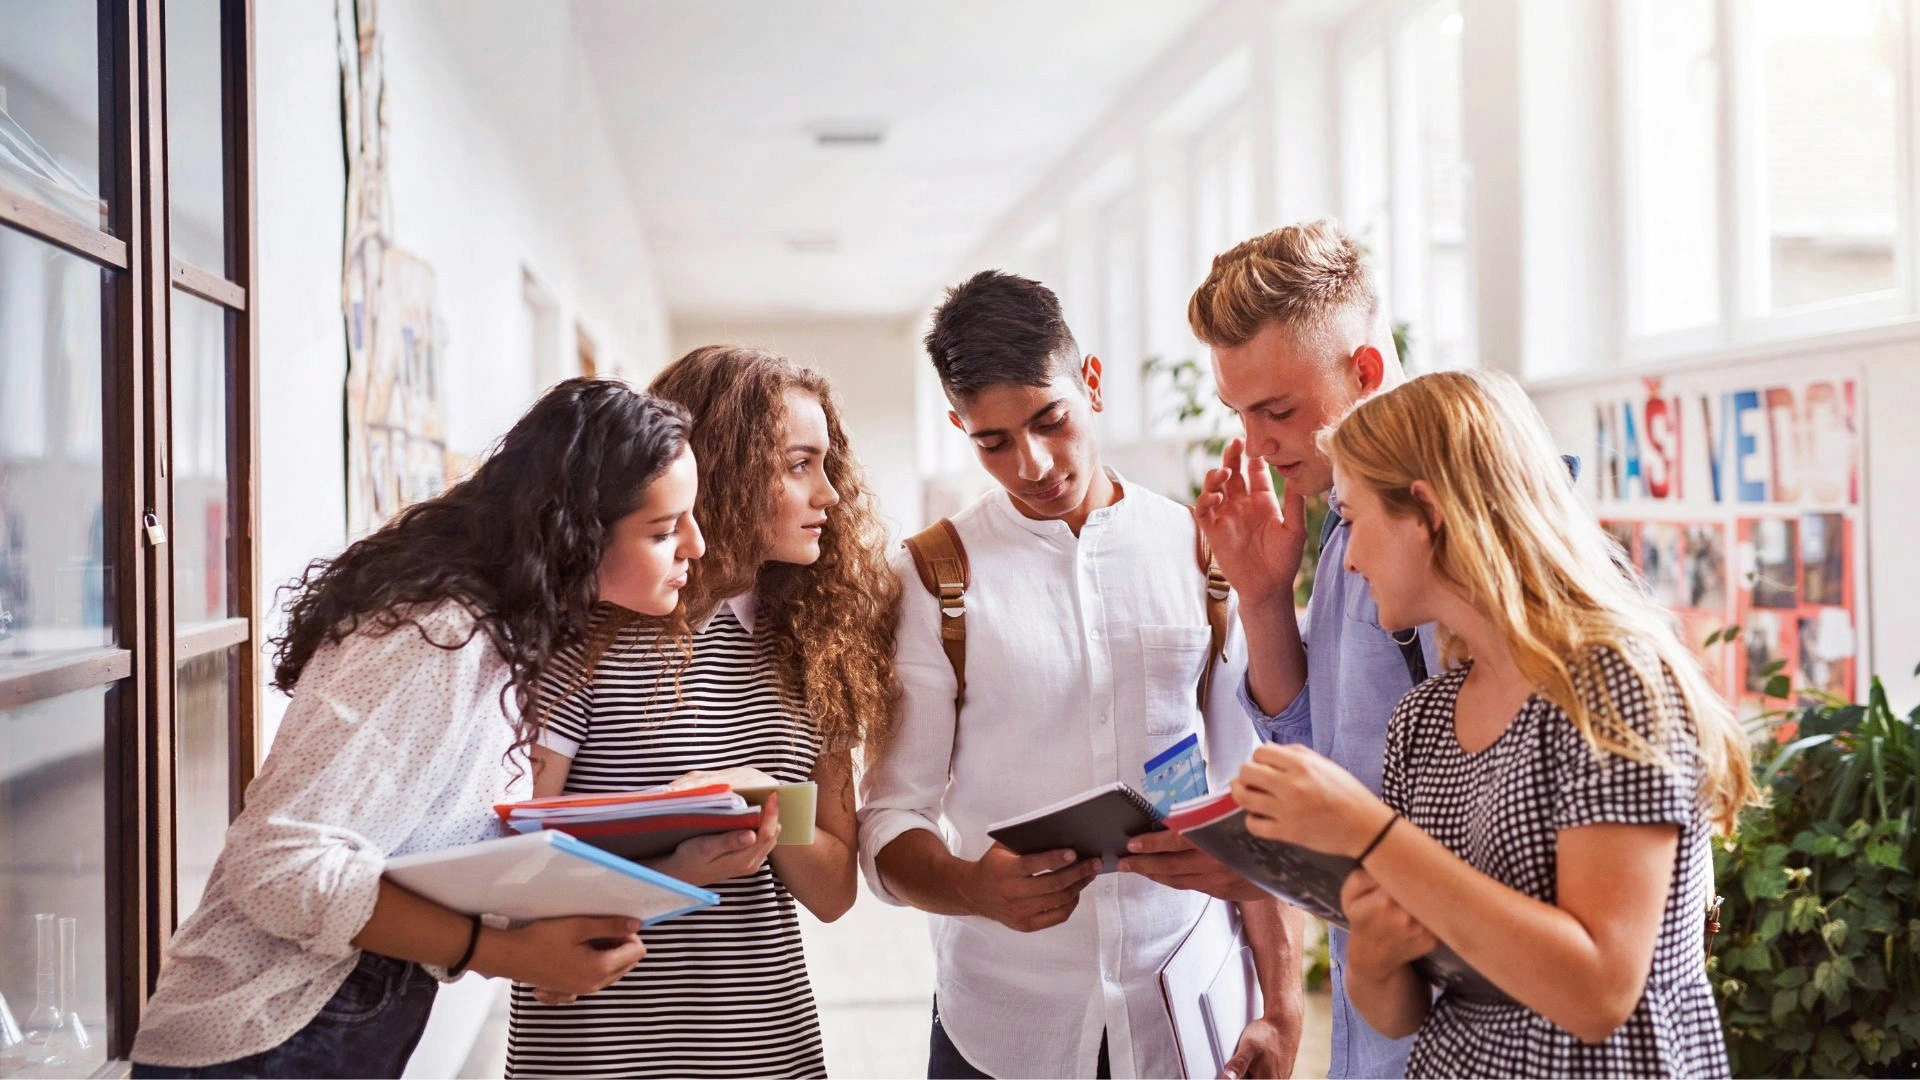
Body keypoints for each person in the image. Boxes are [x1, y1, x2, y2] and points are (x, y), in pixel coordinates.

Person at [131, 379, 701, 1078]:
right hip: (259, 1037)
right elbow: (277, 865)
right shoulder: (439, 633)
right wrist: (508, 954)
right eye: (665, 528)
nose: (693, 547)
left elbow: (425, 847)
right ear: (576, 532)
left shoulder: (504, 637)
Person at [1225, 369, 1756, 1077]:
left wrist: (1368, 834)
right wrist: (1379, 958)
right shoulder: (1425, 719)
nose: (1346, 556)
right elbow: (1403, 1009)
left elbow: (1600, 991)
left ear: (1427, 512)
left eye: (1351, 520)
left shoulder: (1611, 685)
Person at [859, 271, 1302, 1080]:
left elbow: (1250, 786)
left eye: (1049, 420)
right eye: (993, 441)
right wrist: (971, 888)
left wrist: (1280, 1002)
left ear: (1090, 383)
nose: (1030, 462)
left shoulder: (1200, 549)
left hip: (1186, 1010)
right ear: (962, 428)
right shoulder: (934, 577)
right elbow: (890, 820)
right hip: (1003, 1025)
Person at [508, 346, 898, 1078]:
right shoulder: (583, 636)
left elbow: (834, 891)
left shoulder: (817, 644)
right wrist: (674, 864)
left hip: (763, 1046)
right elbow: (511, 868)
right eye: (797, 465)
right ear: (719, 468)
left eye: (826, 465)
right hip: (597, 1051)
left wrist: (760, 797)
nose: (829, 496)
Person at [1185, 220, 1435, 1079]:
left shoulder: (1455, 529)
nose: (1257, 443)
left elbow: (1484, 805)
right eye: (1240, 414)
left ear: (1364, 370)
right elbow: (1319, 747)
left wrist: (1271, 868)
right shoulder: (1342, 519)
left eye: (1278, 410)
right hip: (1377, 998)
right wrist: (1261, 596)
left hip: (1459, 1009)